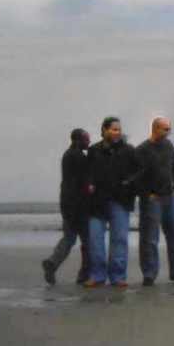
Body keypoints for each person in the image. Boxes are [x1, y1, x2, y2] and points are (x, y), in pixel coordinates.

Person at [85, 117, 141, 288]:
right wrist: (89, 183)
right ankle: (97, 276)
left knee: (119, 240)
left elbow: (139, 171)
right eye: (114, 129)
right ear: (104, 130)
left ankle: (118, 277)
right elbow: (88, 172)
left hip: (120, 201)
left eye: (119, 130)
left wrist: (129, 183)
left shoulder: (129, 150)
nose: (117, 132)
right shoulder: (94, 150)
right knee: (95, 240)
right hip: (97, 202)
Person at [136, 116, 174, 286]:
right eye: (165, 129)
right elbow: (136, 176)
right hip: (152, 199)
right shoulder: (142, 149)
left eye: (169, 129)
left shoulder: (168, 146)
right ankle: (149, 273)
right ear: (155, 128)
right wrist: (146, 194)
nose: (168, 132)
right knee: (150, 237)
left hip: (169, 197)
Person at [42, 128, 92, 286]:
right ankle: (84, 274)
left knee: (69, 238)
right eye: (86, 139)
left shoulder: (67, 155)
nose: (88, 142)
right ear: (78, 140)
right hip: (79, 206)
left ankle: (53, 262)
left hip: (67, 203)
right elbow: (85, 183)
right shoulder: (79, 157)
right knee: (87, 241)